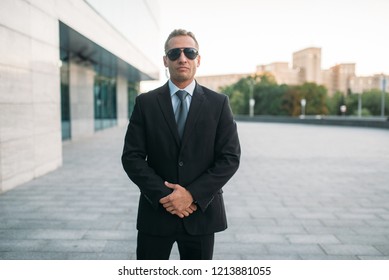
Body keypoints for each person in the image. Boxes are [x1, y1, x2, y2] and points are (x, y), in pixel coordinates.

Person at [121, 29, 241, 260]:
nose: (182, 58)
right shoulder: (145, 103)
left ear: (198, 59)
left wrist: (192, 195)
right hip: (156, 213)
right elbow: (132, 157)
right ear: (165, 60)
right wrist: (166, 197)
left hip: (200, 215)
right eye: (174, 53)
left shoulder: (219, 104)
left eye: (189, 52)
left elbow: (230, 158)